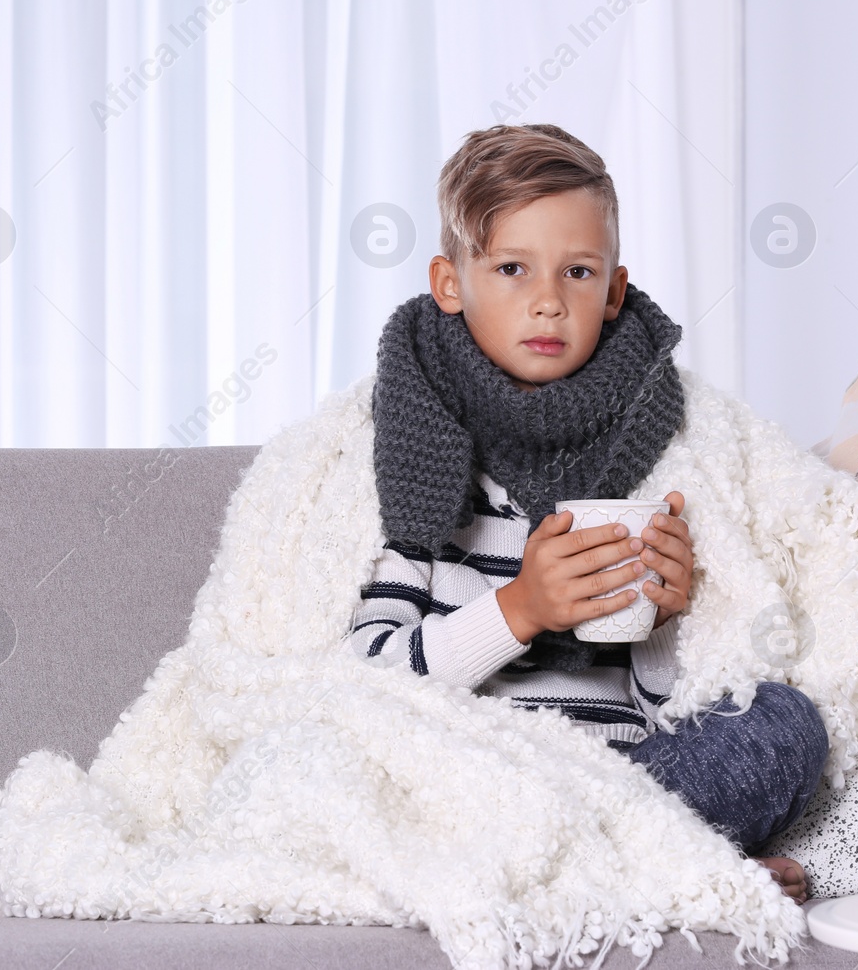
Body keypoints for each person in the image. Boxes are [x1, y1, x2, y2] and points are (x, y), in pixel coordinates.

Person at [354, 123, 826, 903]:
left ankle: (616, 864)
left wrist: (665, 623)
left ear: (613, 290)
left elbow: (659, 713)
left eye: (577, 272)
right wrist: (518, 608)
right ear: (449, 282)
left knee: (784, 725)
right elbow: (365, 680)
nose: (547, 300)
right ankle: (668, 870)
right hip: (477, 785)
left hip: (621, 778)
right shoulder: (417, 451)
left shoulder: (662, 443)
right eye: (511, 268)